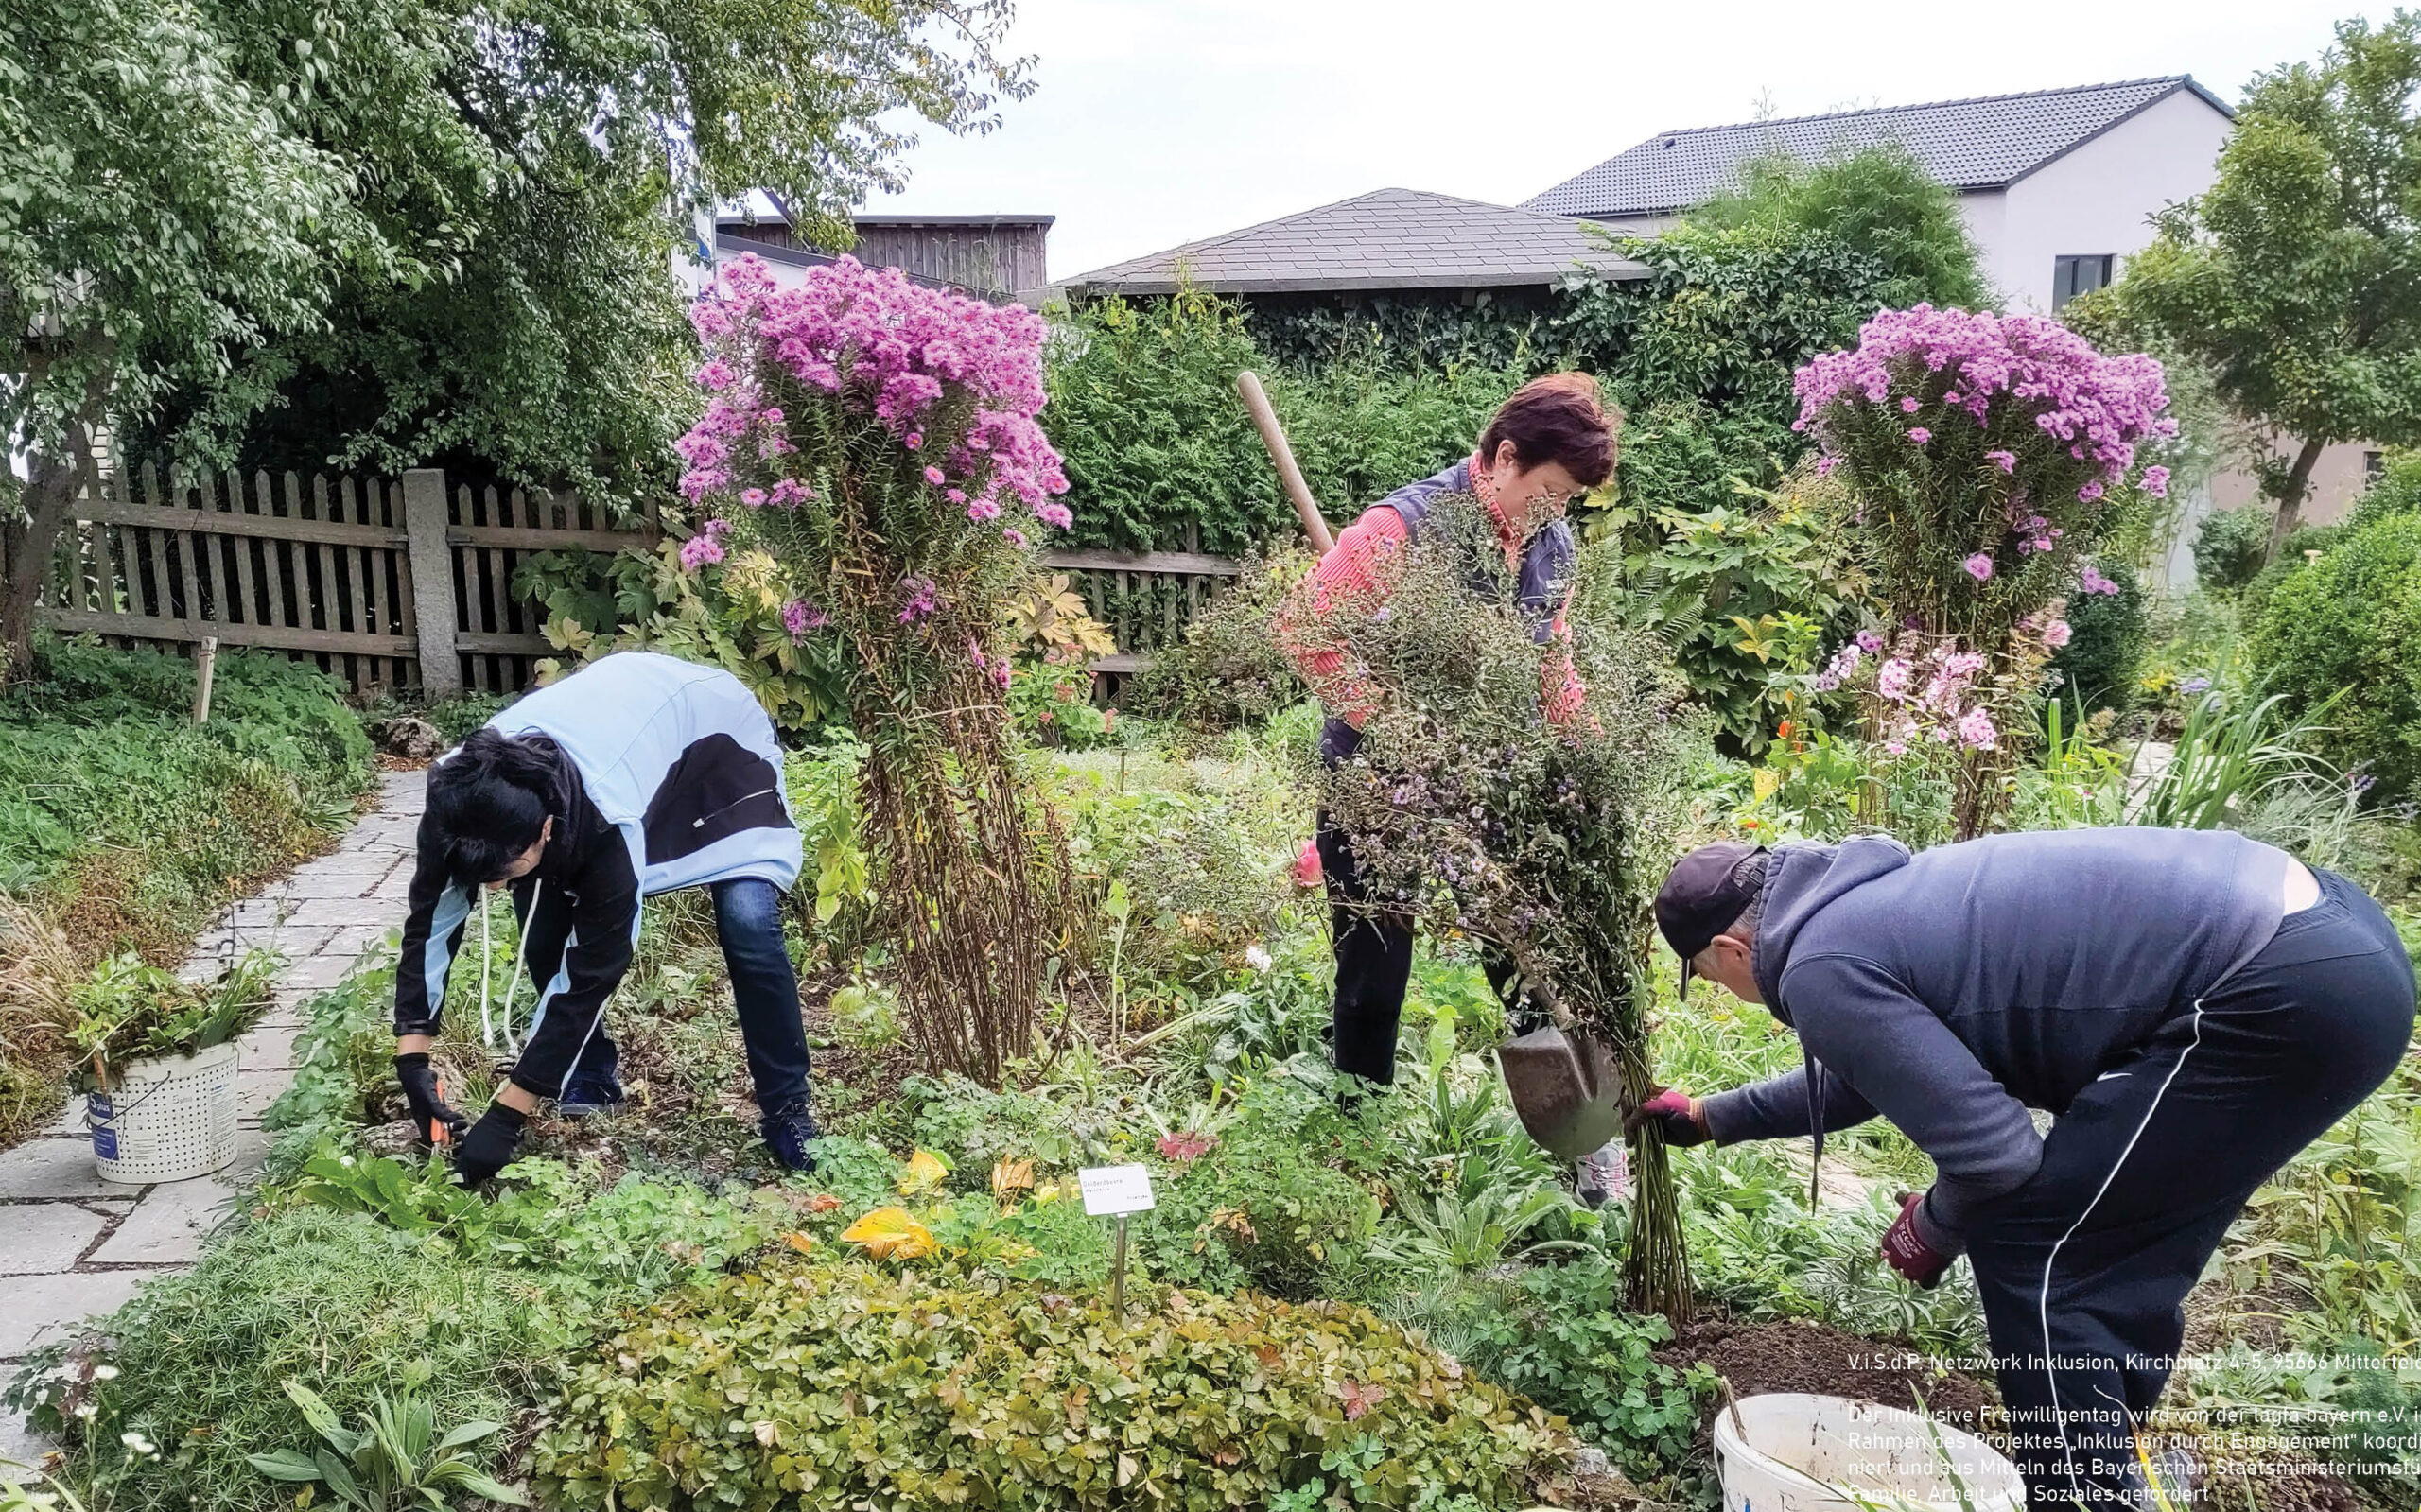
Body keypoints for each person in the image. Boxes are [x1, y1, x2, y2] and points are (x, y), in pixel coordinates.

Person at [1633, 830, 2415, 1509]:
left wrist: (1932, 1228)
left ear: (1732, 951)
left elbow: (1998, 1157)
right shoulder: (1856, 903)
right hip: (2332, 944)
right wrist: (1712, 1117)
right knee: (2108, 1246)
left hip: (2276, 986)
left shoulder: (1818, 965)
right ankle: (2106, 1468)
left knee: (2039, 1249)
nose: (1726, 992)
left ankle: (2083, 1493)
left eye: (1707, 977)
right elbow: (1872, 1069)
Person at [1280, 374, 1618, 1138]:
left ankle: (1577, 1136)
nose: (1556, 512)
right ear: (1504, 457)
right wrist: (1396, 725)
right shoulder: (1404, 530)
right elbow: (1304, 628)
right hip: (1374, 783)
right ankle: (1357, 1131)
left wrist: (1590, 756)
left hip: (1484, 778)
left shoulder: (1552, 546)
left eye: (1569, 500)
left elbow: (1550, 663)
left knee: (1526, 942)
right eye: (1551, 491)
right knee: (1375, 967)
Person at [392, 652, 820, 1185]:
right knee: (541, 914)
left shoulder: (603, 816)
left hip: (713, 747)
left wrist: (507, 1114)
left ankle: (787, 1109)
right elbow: (430, 922)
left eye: (502, 871)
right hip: (626, 739)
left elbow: (597, 966)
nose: (493, 887)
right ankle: (591, 1075)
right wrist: (412, 1058)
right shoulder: (459, 797)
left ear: (546, 829)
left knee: (748, 922)